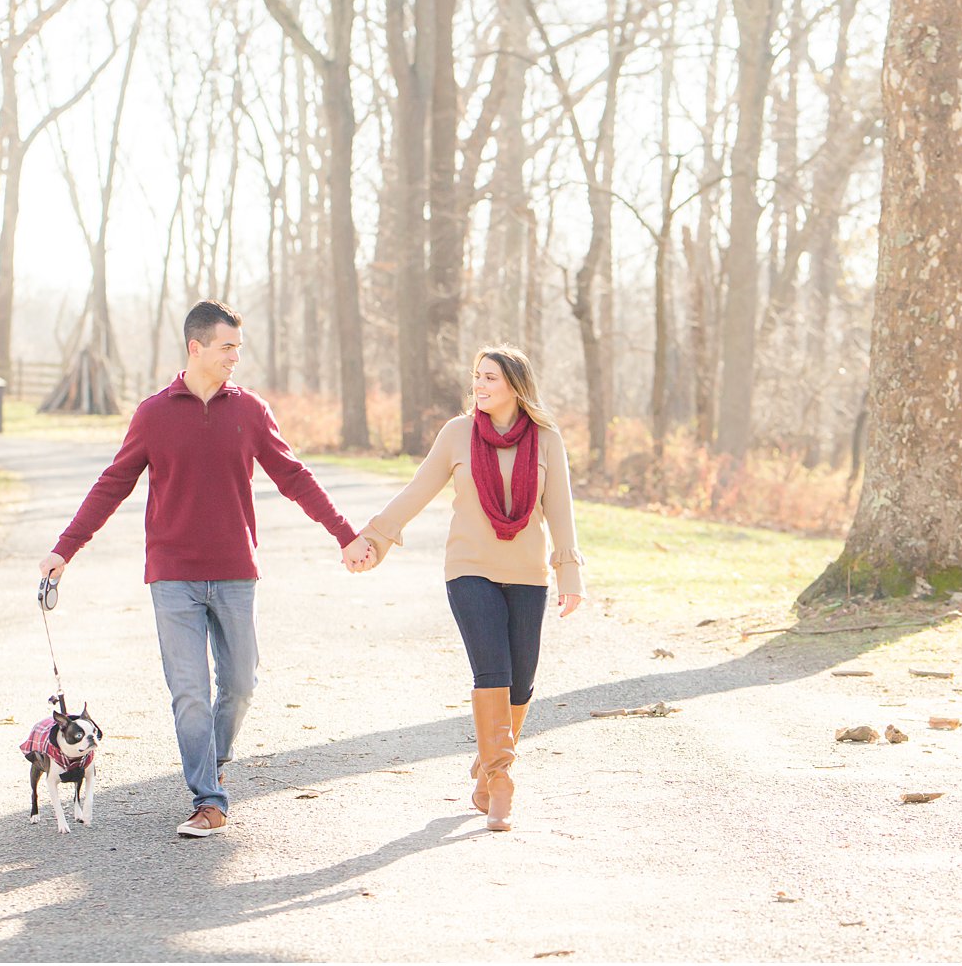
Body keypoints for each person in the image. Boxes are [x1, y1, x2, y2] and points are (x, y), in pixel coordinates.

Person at [39, 300, 374, 839]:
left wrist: (345, 533)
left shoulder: (250, 411)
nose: (236, 358)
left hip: (236, 571)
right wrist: (65, 549)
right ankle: (208, 798)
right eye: (227, 348)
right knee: (189, 690)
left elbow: (294, 476)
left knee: (240, 683)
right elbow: (113, 483)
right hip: (172, 575)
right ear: (196, 348)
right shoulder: (152, 414)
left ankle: (211, 760)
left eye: (238, 348)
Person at [352, 344, 583, 832]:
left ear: (516, 386)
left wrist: (569, 572)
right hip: (469, 569)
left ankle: (485, 764)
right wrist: (373, 538)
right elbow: (416, 491)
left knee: (522, 681)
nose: (479, 385)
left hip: (526, 572)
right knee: (492, 671)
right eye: (477, 376)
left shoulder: (546, 439)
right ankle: (500, 783)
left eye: (491, 378)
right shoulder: (458, 434)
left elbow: (560, 510)